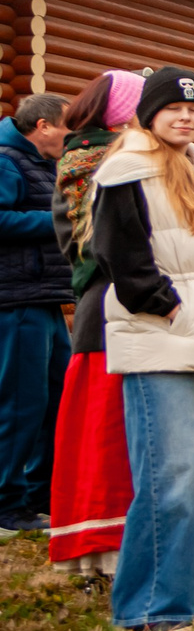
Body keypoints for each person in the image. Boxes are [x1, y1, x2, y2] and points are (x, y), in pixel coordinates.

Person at [92, 68, 194, 631]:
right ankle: (151, 607)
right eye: (173, 108)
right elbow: (120, 254)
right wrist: (167, 307)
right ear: (149, 113)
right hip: (160, 339)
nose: (186, 117)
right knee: (173, 476)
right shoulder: (124, 171)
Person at [47, 71, 141, 579]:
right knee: (107, 436)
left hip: (114, 306)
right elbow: (97, 246)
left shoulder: (92, 157)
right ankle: (103, 548)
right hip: (111, 308)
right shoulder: (100, 163)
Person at [0, 93, 71, 539]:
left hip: (47, 297)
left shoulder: (43, 165)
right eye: (67, 126)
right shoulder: (6, 161)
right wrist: (57, 221)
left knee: (55, 398)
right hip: (18, 299)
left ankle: (39, 496)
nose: (72, 135)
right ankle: (6, 503)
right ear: (42, 126)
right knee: (20, 403)